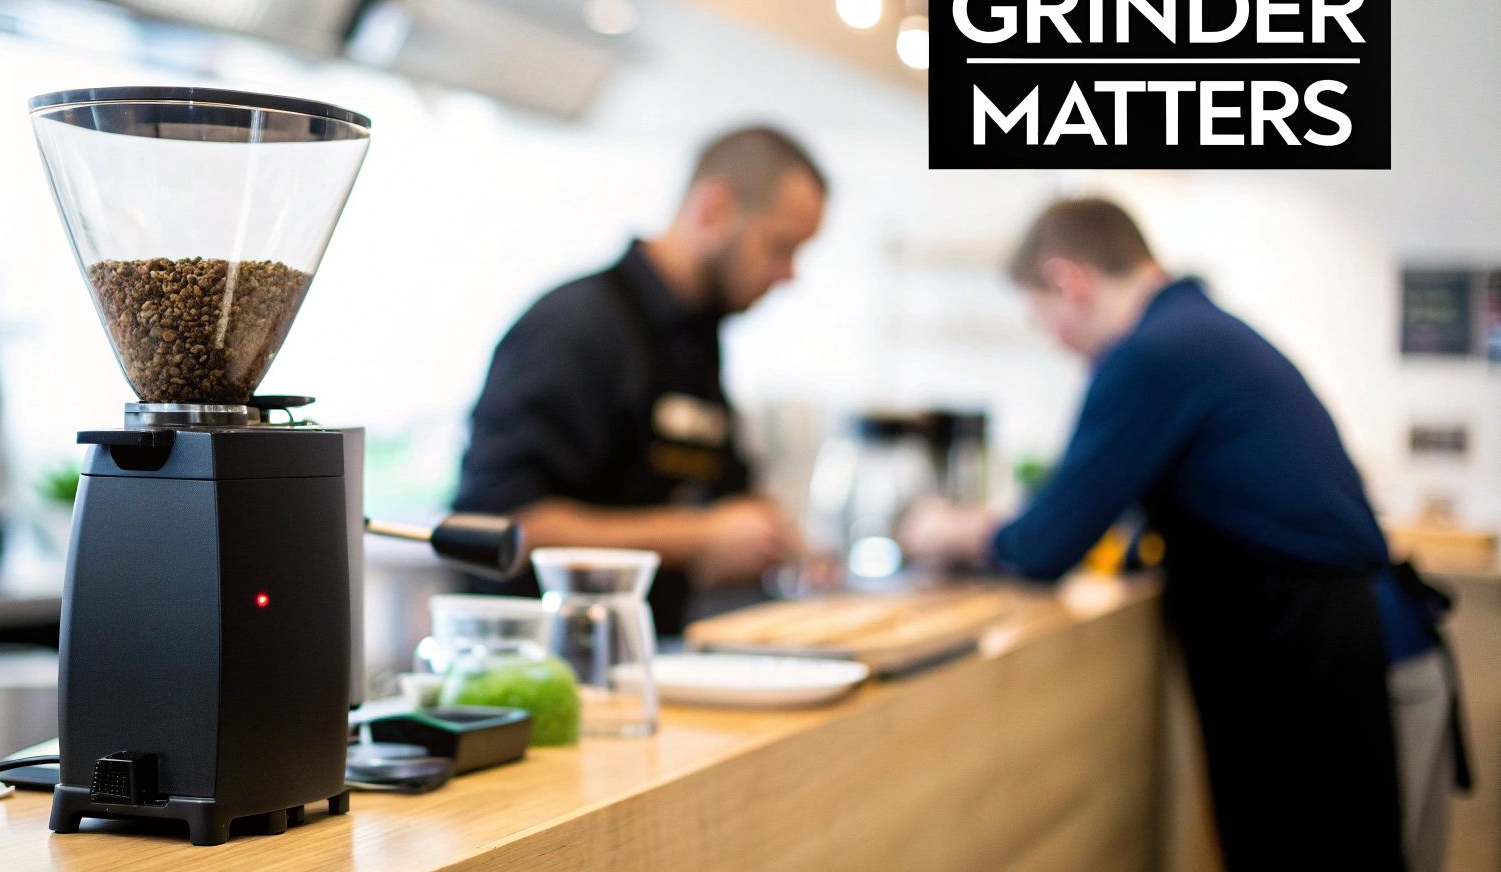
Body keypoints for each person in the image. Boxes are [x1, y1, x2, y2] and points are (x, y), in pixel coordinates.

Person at [900, 197, 1466, 871]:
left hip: (1331, 664)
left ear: (1066, 281)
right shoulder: (1196, 333)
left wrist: (944, 528)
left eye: (1040, 315)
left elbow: (1043, 544)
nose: (1051, 338)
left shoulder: (1153, 354)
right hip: (1334, 654)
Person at [452, 125, 826, 635]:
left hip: (647, 664)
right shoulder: (576, 327)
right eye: (781, 247)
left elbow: (719, 497)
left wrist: (765, 532)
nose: (789, 275)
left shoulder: (699, 341)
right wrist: (699, 537)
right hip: (541, 672)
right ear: (713, 209)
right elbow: (503, 528)